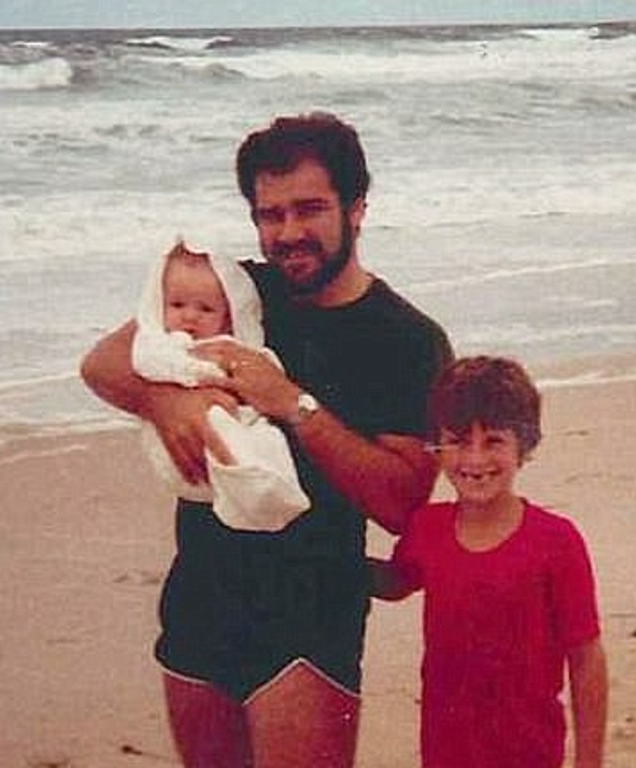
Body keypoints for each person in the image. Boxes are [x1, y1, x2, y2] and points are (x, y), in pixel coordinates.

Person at [80, 112, 453, 768]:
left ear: (358, 207)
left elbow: (401, 502)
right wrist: (168, 401)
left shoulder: (408, 340)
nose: (287, 233)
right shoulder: (237, 293)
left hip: (311, 611)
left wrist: (292, 404)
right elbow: (105, 362)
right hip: (200, 592)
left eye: (309, 209)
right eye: (268, 214)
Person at [370, 356, 609, 768]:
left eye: (494, 440)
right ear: (438, 448)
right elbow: (396, 582)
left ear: (525, 444)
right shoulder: (427, 528)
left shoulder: (556, 541)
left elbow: (586, 660)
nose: (476, 460)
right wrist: (324, 559)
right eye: (460, 441)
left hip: (530, 754)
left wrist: (589, 763)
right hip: (445, 755)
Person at [132, 237, 309, 531]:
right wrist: (200, 373)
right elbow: (147, 363)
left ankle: (275, 491)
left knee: (265, 438)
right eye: (176, 304)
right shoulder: (162, 343)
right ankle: (249, 487)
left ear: (229, 317)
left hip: (241, 417)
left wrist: (261, 378)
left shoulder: (228, 343)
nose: (189, 315)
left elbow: (265, 367)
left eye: (206, 309)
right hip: (190, 445)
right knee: (221, 428)